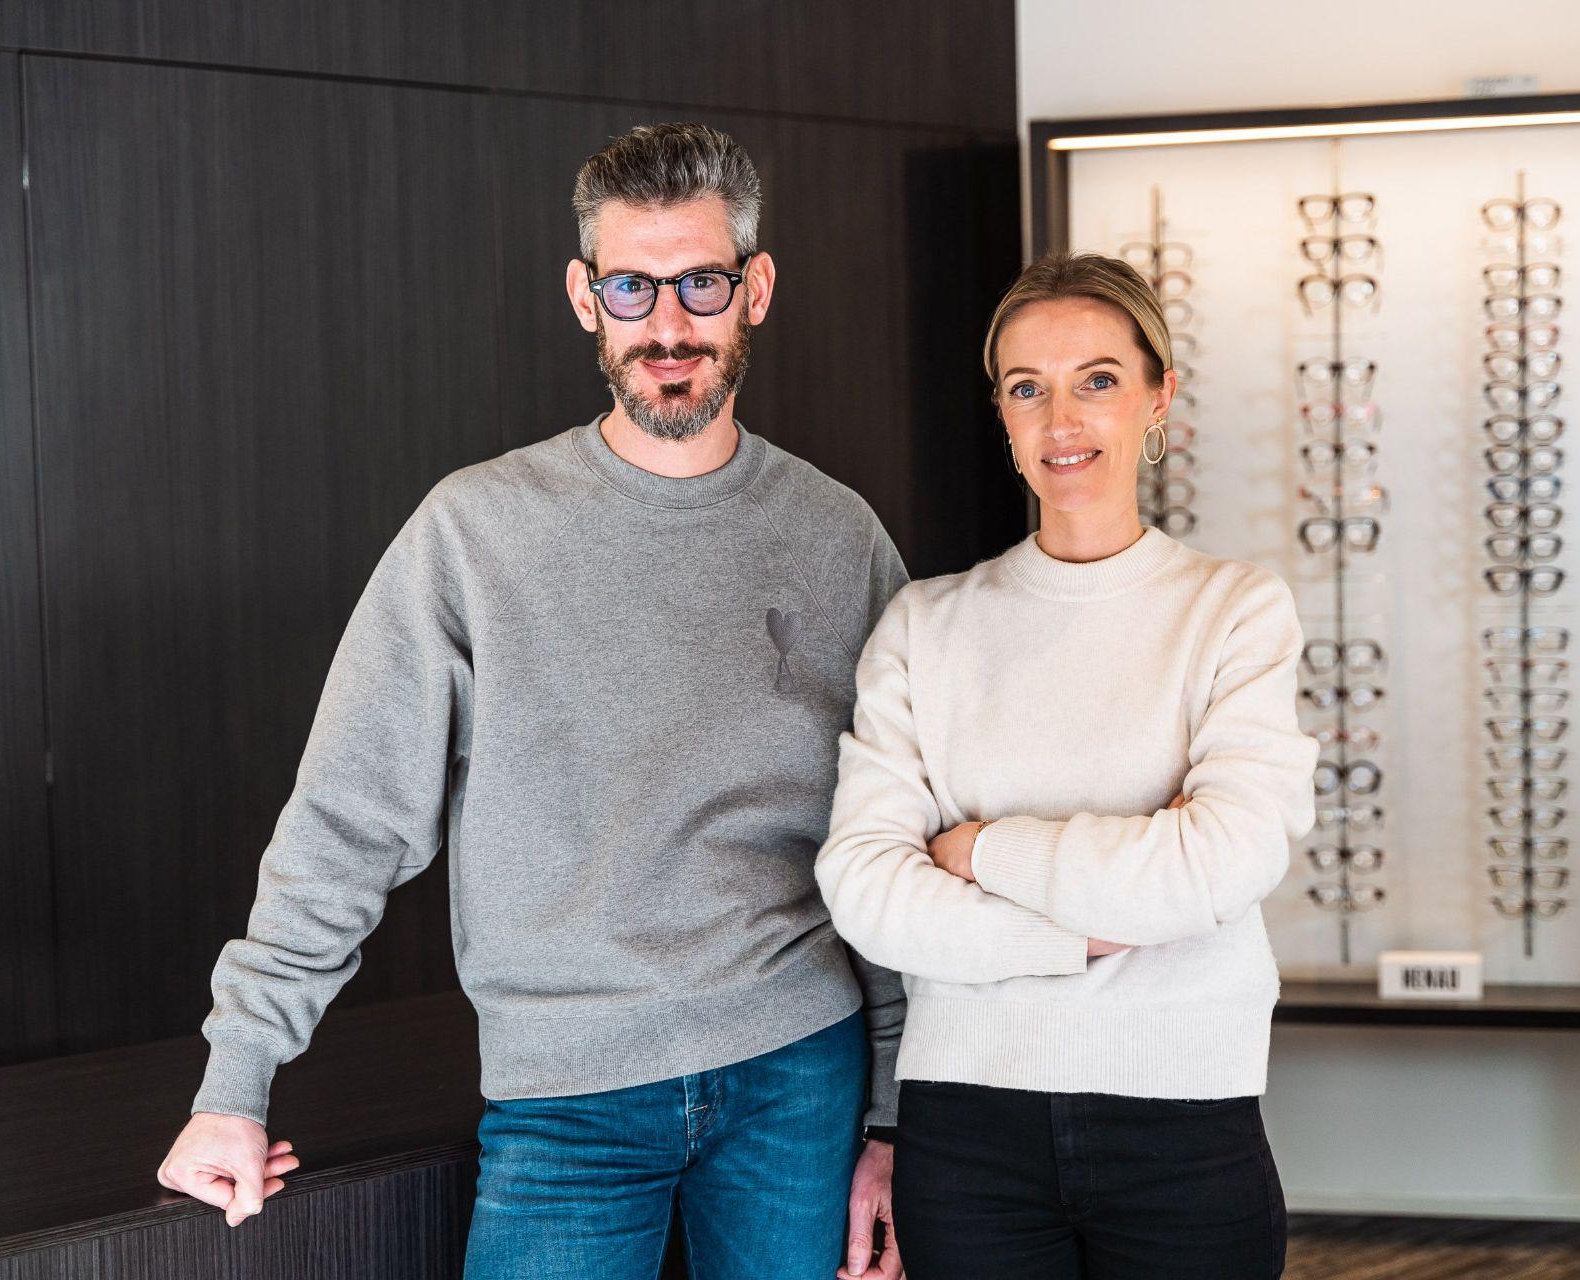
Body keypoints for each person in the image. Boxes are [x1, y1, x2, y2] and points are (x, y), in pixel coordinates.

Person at [156, 121, 910, 1280]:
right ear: (583, 296)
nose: (667, 325)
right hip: (567, 1092)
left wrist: (895, 1114)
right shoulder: (474, 532)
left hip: (799, 1068)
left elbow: (900, 828)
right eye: (631, 286)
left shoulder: (836, 536)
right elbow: (350, 816)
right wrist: (236, 1079)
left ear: (755, 288)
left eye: (701, 283)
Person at [814, 249, 1320, 1279]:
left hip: (1185, 1127)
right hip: (967, 1134)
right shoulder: (925, 624)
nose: (1061, 420)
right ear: (1001, 414)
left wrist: (980, 850)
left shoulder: (1234, 611)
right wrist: (1088, 930)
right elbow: (864, 887)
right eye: (1026, 388)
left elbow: (1223, 860)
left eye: (1096, 379)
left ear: (1158, 396)